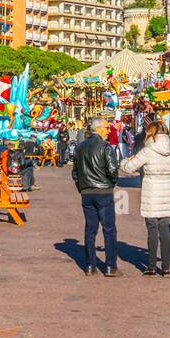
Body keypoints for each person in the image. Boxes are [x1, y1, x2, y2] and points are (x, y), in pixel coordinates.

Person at [119, 121, 170, 276]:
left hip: (151, 190)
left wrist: (123, 162)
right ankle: (166, 267)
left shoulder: (148, 150)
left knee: (152, 229)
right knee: (164, 229)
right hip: (165, 191)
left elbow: (129, 168)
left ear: (151, 133)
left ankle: (151, 266)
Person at [72, 116, 120, 277]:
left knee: (90, 230)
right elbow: (113, 170)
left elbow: (75, 173)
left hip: (87, 192)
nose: (108, 131)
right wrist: (111, 183)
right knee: (109, 229)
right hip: (103, 192)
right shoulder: (105, 146)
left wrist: (82, 187)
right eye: (106, 128)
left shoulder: (80, 147)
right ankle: (110, 266)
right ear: (98, 129)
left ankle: (90, 265)